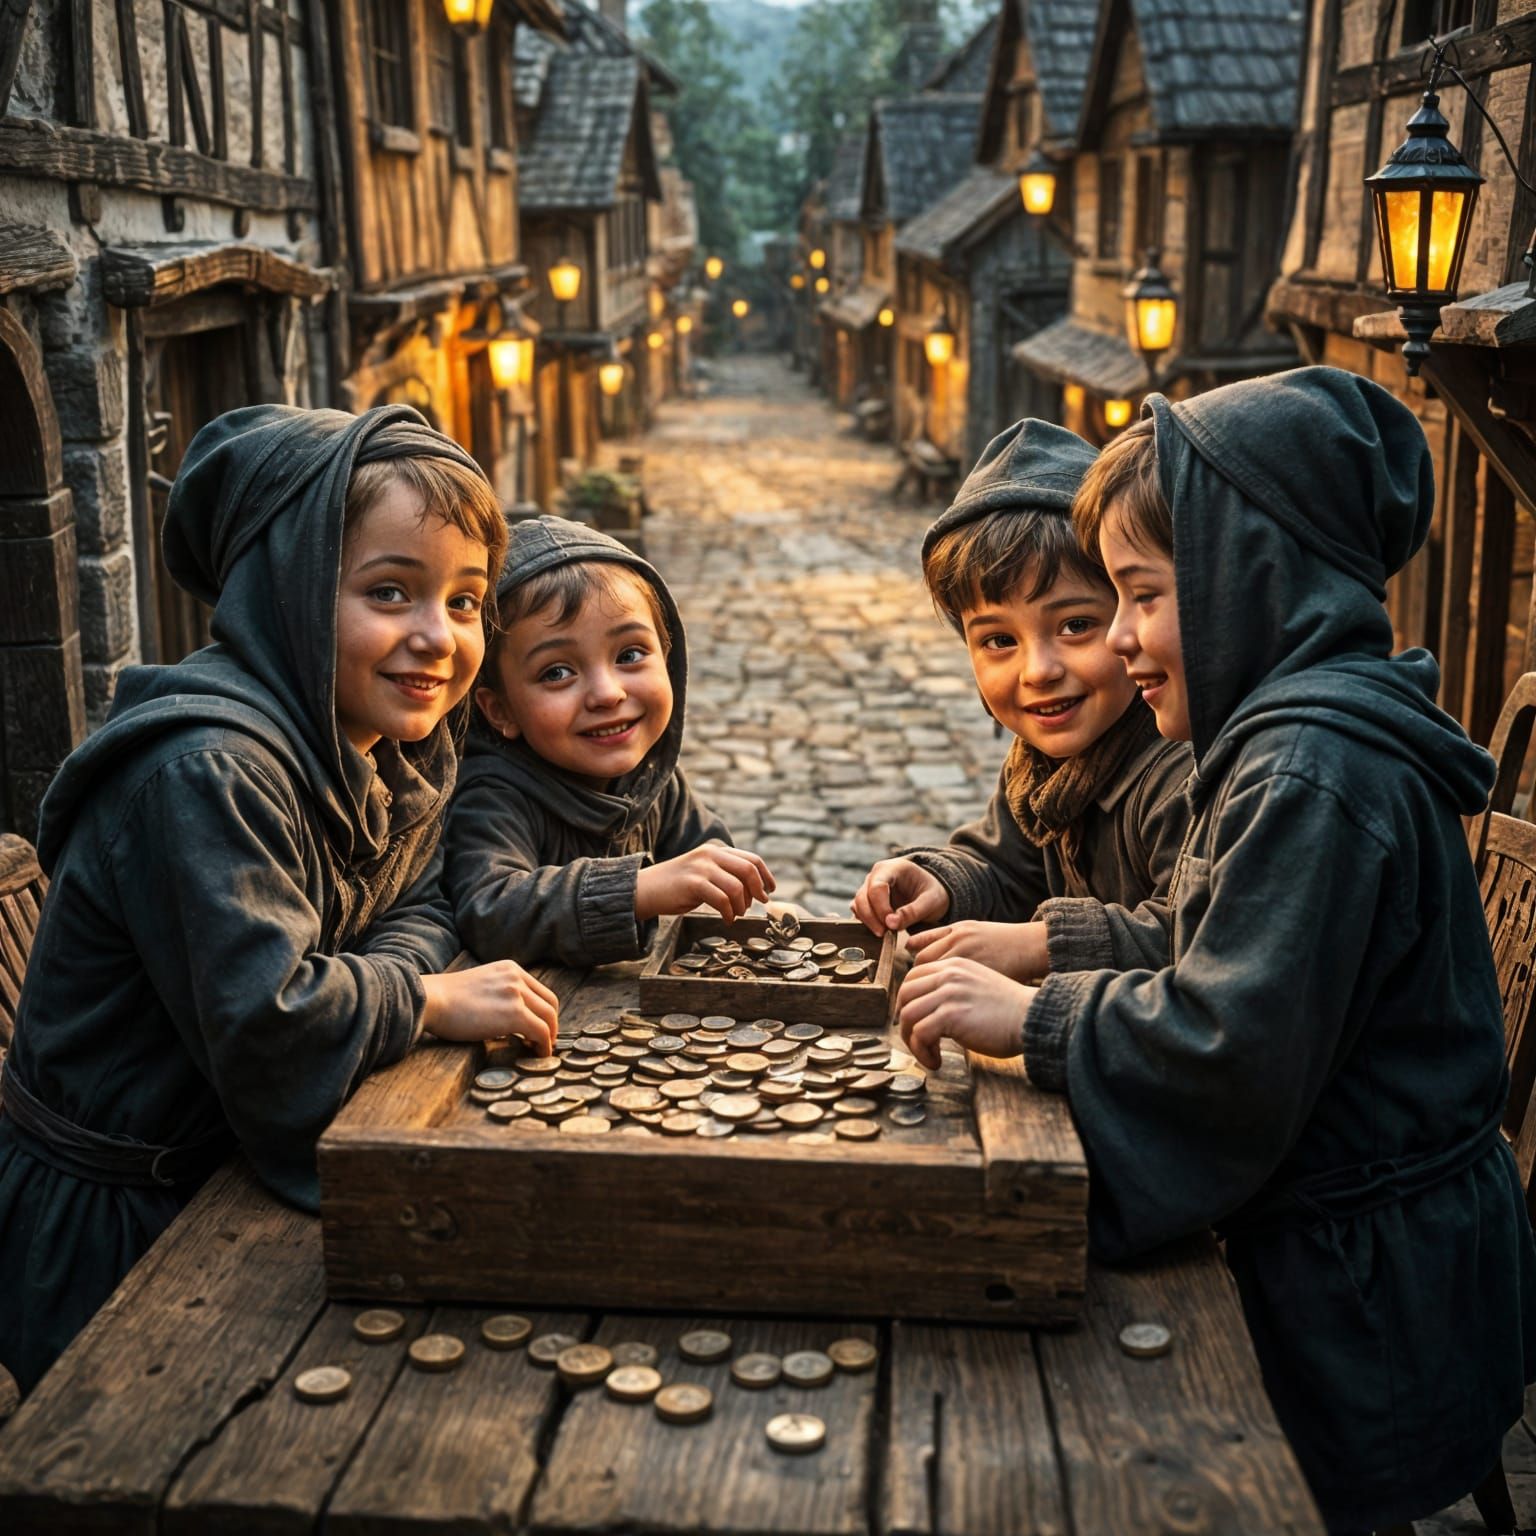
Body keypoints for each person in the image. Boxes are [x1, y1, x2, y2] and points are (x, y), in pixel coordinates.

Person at [898, 368, 1536, 1532]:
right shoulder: (1282, 745)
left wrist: (1032, 1017)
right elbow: (1206, 954)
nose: (1127, 641)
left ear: (1256, 575)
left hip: (1364, 1290)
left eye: (1139, 597)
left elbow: (1227, 1044)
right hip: (1352, 1244)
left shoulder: (1310, 774)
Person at [0, 404, 559, 1393]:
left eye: (467, 601)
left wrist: (367, 975)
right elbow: (272, 1024)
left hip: (232, 1166)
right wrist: (424, 999)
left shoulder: (387, 746)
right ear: (288, 592)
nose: (437, 638)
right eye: (391, 592)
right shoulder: (208, 771)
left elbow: (428, 906)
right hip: (121, 1226)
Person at [852, 418, 1190, 1012]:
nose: (1038, 671)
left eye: (1075, 626)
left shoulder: (1177, 771)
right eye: (998, 641)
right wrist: (941, 882)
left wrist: (1041, 944)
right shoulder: (1039, 768)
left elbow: (1190, 943)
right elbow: (1007, 869)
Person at [444, 516, 773, 967]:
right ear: (499, 710)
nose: (607, 693)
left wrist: (720, 873)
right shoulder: (493, 795)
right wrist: (638, 890)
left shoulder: (653, 780)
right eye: (557, 672)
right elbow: (491, 910)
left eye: (630, 655)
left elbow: (704, 856)